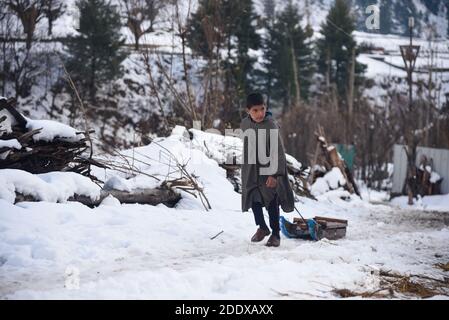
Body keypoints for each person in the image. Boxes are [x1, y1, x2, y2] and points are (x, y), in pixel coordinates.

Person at [240, 93, 295, 247]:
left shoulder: (270, 125)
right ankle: (263, 228)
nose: (259, 113)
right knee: (253, 198)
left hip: (269, 169)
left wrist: (275, 174)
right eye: (255, 110)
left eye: (262, 109)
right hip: (252, 170)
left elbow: (278, 150)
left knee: (271, 200)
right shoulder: (245, 124)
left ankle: (276, 234)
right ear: (248, 111)